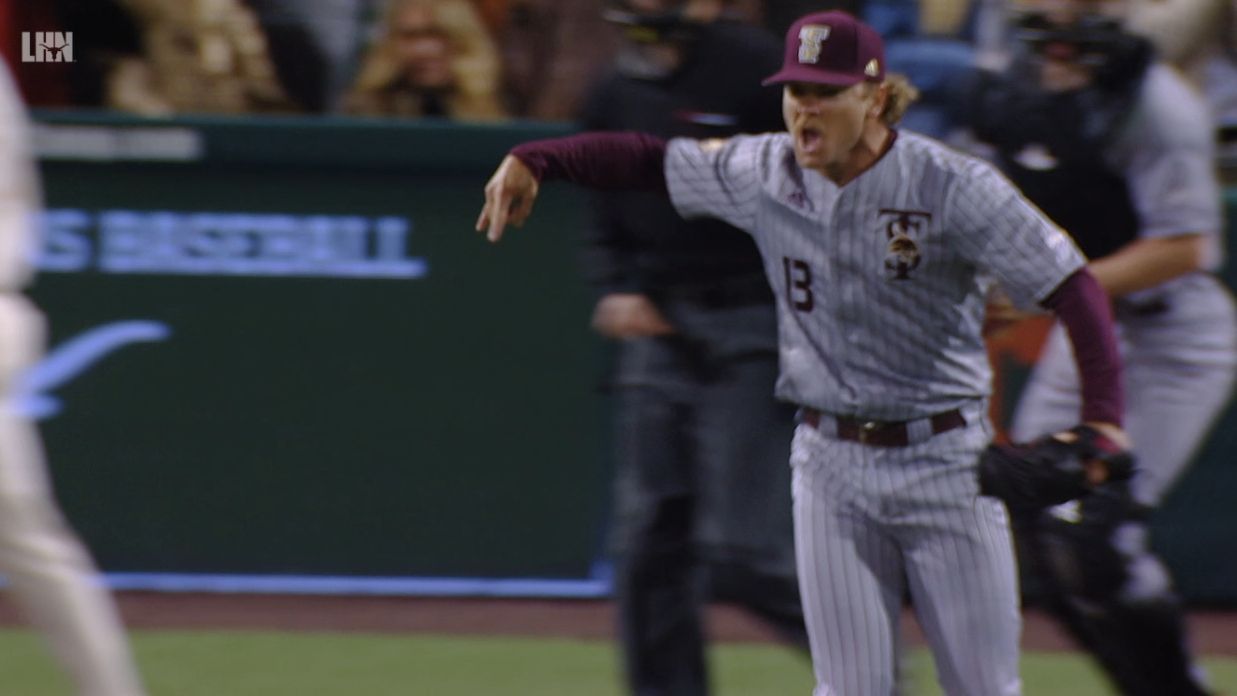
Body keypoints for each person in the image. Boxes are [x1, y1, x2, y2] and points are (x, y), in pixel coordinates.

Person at [475, 9, 1131, 695]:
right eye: (796, 93)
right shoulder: (762, 169)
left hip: (944, 460)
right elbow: (646, 157)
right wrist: (536, 159)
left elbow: (1071, 286)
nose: (805, 110)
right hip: (828, 465)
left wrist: (1103, 417)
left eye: (825, 93)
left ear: (875, 97)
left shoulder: (951, 185)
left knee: (982, 687)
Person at [963, 1, 1237, 693]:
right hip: (1091, 328)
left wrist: (1036, 292)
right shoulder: (1014, 85)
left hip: (1172, 334)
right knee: (1031, 527)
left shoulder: (1154, 100)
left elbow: (1183, 248)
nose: (1058, 27)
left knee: (1097, 538)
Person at [577, 2, 807, 694]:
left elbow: (821, 184)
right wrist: (615, 284)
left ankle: (870, 666)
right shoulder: (611, 89)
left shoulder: (755, 68)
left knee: (741, 553)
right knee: (648, 544)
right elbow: (597, 202)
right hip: (658, 329)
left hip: (751, 323)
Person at [0, 59, 147, 696]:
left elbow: (61, 45)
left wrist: (70, 69)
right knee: (27, 532)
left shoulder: (36, 29)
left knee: (26, 532)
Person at [345, 0, 507, 120]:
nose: (424, 51)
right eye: (410, 36)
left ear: (464, 41)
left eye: (438, 35)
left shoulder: (502, 106)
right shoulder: (363, 112)